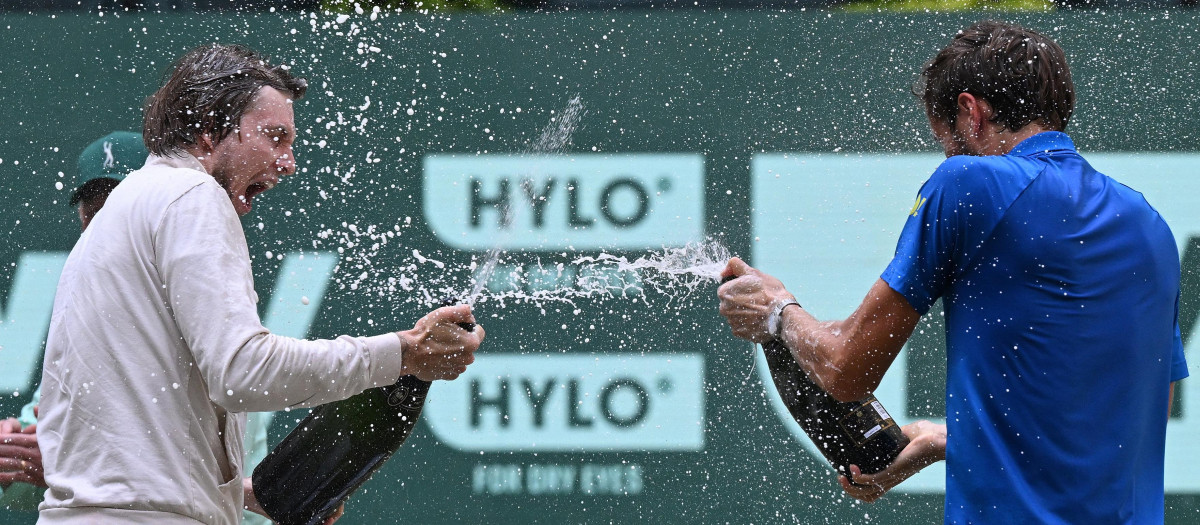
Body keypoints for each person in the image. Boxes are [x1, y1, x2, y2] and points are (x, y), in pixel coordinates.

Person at [718, 20, 1187, 523]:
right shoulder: (1148, 223)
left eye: (945, 141)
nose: (946, 154)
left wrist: (776, 310)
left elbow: (846, 370)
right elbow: (1138, 416)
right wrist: (942, 443)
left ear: (971, 112)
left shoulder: (968, 182)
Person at [37, 43, 484, 524]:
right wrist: (404, 352)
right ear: (208, 132)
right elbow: (243, 372)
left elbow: (126, 446)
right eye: (275, 137)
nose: (289, 162)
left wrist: (252, 496)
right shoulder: (192, 194)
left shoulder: (124, 214)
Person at [0, 131, 277, 525]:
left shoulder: (219, 329)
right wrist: (14, 455)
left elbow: (224, 499)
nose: (107, 231)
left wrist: (79, 462)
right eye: (94, 216)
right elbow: (24, 484)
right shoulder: (85, 316)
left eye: (119, 212)